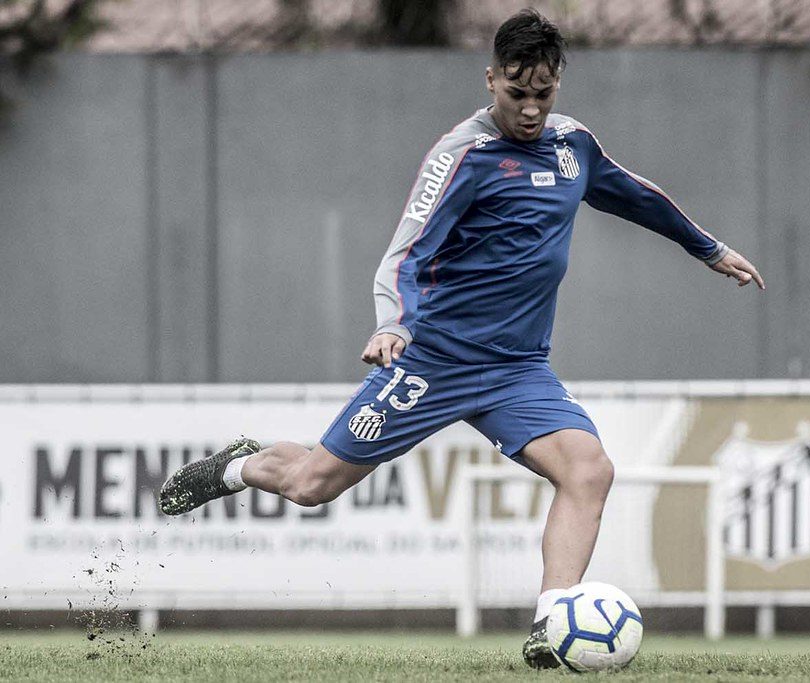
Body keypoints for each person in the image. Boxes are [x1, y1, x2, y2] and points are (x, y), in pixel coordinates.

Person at [158, 8, 764, 669]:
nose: (530, 109)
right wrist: (392, 322)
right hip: (433, 360)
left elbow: (634, 195)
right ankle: (240, 464)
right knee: (310, 485)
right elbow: (405, 252)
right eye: (517, 92)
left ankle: (551, 622)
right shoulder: (461, 157)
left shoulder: (574, 147)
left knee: (589, 470)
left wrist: (708, 248)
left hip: (517, 370)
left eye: (543, 93)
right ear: (490, 79)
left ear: (557, 84)